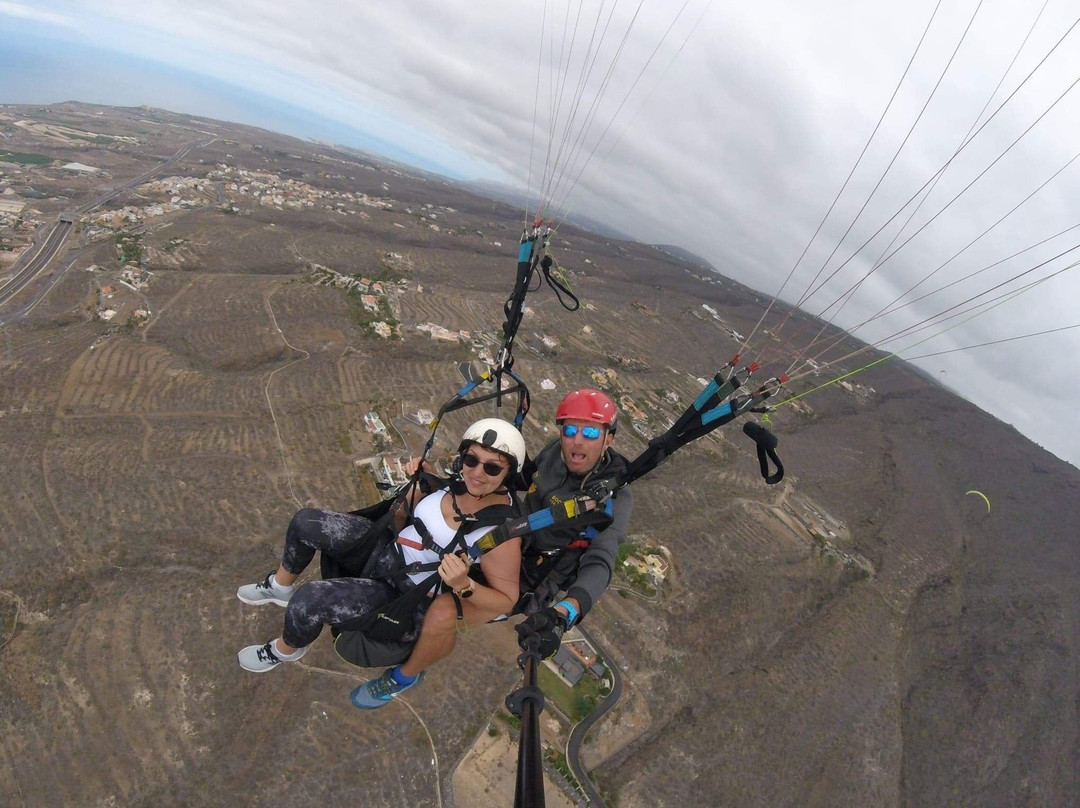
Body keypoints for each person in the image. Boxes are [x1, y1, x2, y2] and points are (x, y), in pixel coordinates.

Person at [236, 418, 527, 709]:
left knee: (310, 601)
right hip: (389, 551)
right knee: (306, 523)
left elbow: (505, 601)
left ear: (508, 472)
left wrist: (464, 585)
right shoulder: (455, 485)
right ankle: (279, 587)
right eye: (471, 459)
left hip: (404, 595)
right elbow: (407, 520)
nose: (477, 472)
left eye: (492, 467)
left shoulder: (498, 530)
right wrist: (417, 488)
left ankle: (285, 650)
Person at [415, 388, 634, 664]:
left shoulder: (615, 496)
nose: (577, 441)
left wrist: (567, 610)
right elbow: (522, 479)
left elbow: (601, 559)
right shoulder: (556, 453)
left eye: (590, 433)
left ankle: (406, 674)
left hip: (530, 575)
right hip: (503, 536)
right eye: (569, 431)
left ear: (607, 440)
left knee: (443, 614)